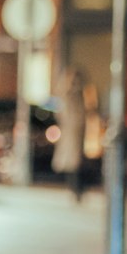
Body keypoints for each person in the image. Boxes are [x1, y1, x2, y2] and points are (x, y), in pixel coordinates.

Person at [52, 67, 88, 201]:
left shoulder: (78, 94)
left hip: (75, 132)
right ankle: (75, 189)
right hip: (70, 132)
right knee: (73, 162)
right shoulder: (67, 95)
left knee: (75, 162)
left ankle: (76, 189)